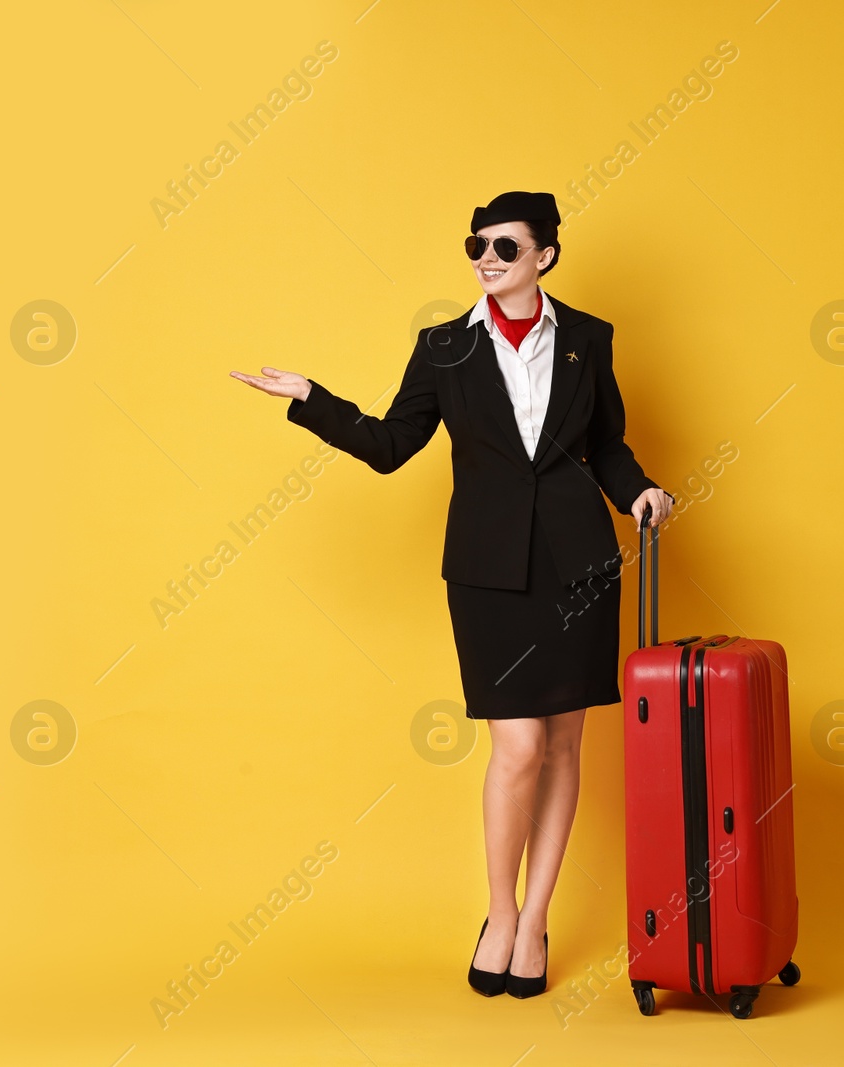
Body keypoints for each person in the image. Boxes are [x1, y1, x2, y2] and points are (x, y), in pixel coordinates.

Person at [230, 190, 674, 999]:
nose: (485, 258)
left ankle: (535, 919)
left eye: (505, 246)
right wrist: (311, 399)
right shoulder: (445, 348)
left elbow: (606, 443)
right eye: (476, 245)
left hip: (580, 566)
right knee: (518, 748)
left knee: (566, 746)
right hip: (488, 572)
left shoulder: (586, 339)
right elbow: (393, 444)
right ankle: (499, 914)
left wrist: (638, 490)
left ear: (544, 255)